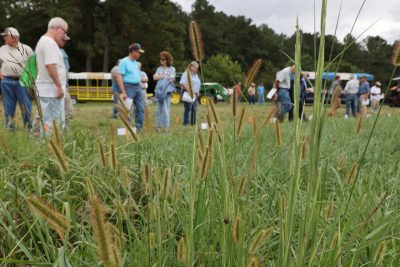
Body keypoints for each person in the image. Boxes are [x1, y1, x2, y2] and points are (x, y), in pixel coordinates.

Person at [35, 17, 70, 136]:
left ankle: (45, 147)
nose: (64, 35)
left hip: (47, 89)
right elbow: (50, 65)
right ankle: (52, 148)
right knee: (56, 124)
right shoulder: (49, 43)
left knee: (47, 122)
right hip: (52, 91)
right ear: (57, 28)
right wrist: (59, 86)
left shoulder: (42, 41)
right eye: (64, 32)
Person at [0, 27, 34, 129]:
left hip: (22, 81)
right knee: (8, 107)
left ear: (14, 38)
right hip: (6, 81)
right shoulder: (1, 49)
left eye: (5, 36)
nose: (4, 39)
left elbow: (33, 66)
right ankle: (10, 129)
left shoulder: (26, 49)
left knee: (26, 106)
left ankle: (28, 129)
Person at [116, 43, 145, 130]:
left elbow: (137, 75)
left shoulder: (136, 63)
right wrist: (123, 92)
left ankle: (139, 128)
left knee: (141, 108)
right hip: (128, 87)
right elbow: (119, 76)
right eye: (138, 52)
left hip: (138, 87)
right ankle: (127, 129)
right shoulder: (123, 62)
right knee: (126, 109)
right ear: (133, 51)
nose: (140, 54)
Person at [153, 51, 175, 131]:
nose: (161, 60)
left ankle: (166, 127)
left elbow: (171, 79)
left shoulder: (172, 69)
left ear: (167, 60)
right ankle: (158, 127)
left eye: (163, 59)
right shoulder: (159, 68)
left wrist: (160, 76)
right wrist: (163, 76)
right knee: (158, 110)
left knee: (166, 110)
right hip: (158, 91)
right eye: (160, 59)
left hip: (166, 91)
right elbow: (154, 77)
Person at [180, 61, 201, 126]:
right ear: (191, 66)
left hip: (195, 94)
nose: (196, 69)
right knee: (188, 109)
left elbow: (197, 84)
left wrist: (197, 92)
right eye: (195, 67)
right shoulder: (186, 73)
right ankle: (186, 123)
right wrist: (190, 91)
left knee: (194, 109)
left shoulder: (196, 75)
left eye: (197, 68)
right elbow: (182, 83)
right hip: (187, 93)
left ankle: (193, 123)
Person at [59, 37, 73, 129]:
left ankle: (64, 134)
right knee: (44, 113)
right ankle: (36, 135)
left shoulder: (63, 52)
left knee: (69, 112)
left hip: (64, 86)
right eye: (63, 39)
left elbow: (66, 69)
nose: (64, 42)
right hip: (53, 87)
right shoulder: (48, 50)